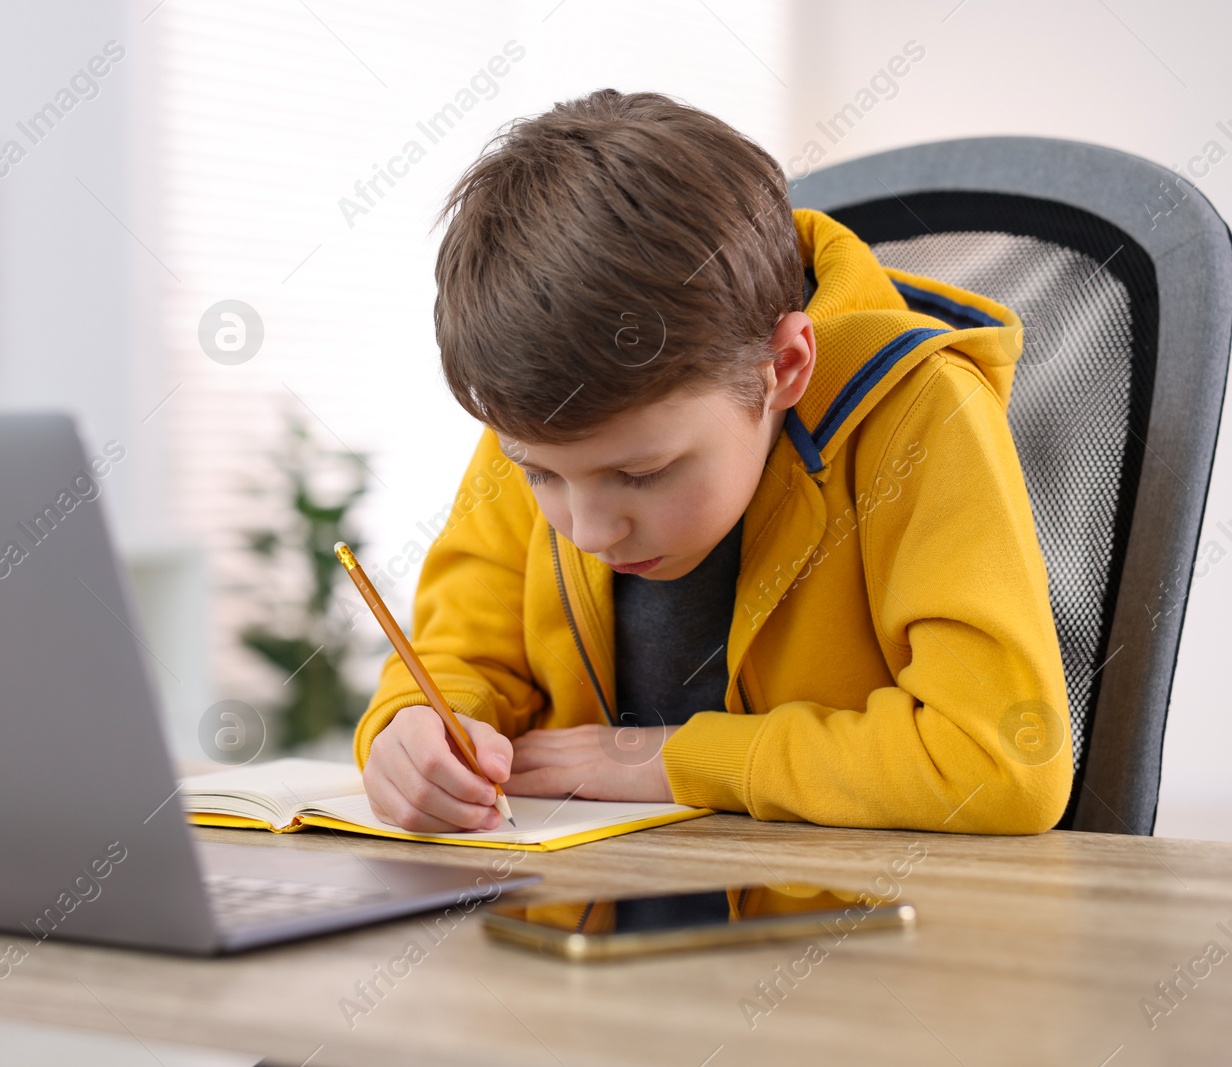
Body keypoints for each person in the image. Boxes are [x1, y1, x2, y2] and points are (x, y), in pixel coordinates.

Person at [352, 89, 1072, 835]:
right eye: (541, 476)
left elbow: (1001, 762)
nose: (591, 528)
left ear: (784, 366)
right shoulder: (551, 415)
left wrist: (667, 762)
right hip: (583, 918)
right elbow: (462, 659)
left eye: (642, 473)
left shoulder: (924, 413)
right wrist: (413, 729)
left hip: (832, 929)